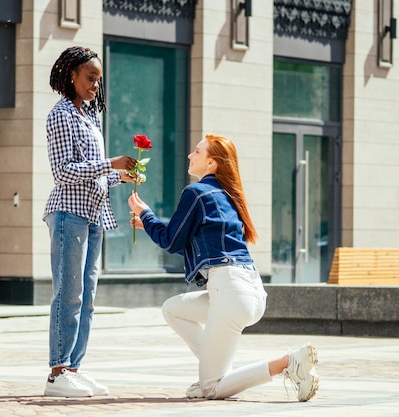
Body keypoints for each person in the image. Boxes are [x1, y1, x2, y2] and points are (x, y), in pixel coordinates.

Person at [127, 133, 319, 402]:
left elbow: (171, 241)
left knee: (211, 389)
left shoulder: (195, 192)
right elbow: (187, 233)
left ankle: (288, 362)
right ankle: (221, 373)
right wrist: (148, 224)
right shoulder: (226, 195)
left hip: (229, 291)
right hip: (248, 290)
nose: (190, 155)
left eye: (197, 151)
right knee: (173, 308)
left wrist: (145, 214)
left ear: (211, 163)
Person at [42, 46, 137, 398]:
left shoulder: (91, 116)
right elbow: (63, 172)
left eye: (99, 79)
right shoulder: (60, 115)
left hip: (94, 213)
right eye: (90, 78)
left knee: (88, 298)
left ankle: (75, 369)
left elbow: (95, 173)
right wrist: (111, 163)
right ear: (72, 75)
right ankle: (57, 372)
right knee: (69, 294)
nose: (96, 85)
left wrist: (121, 177)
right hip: (68, 213)